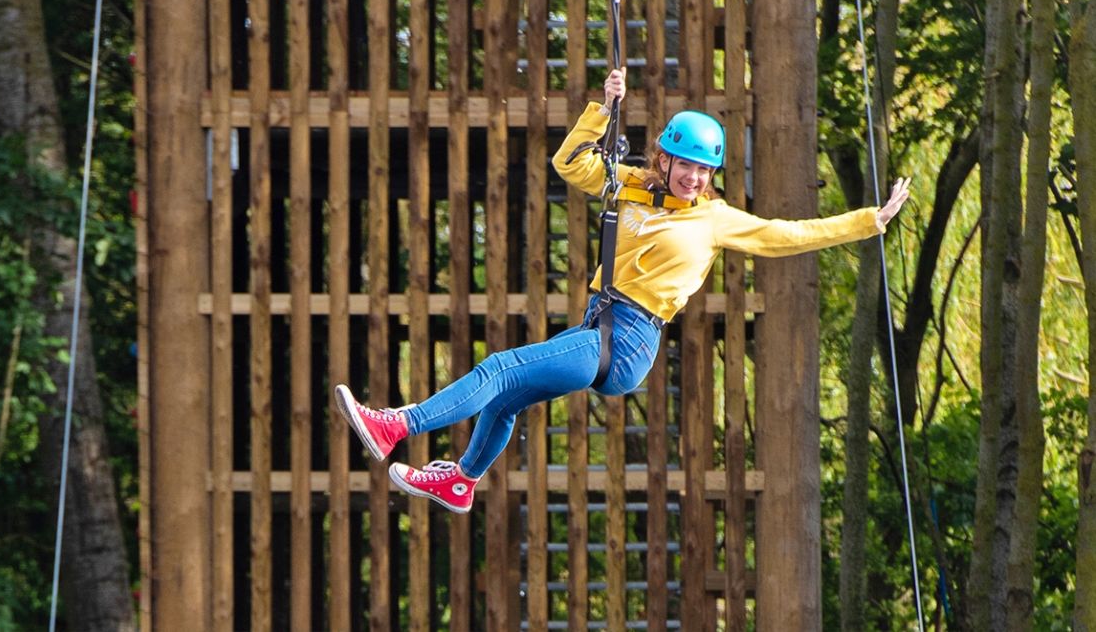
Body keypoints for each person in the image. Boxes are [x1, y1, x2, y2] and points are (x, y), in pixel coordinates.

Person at [334, 68, 912, 513]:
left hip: (631, 340)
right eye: (682, 164)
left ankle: (396, 425)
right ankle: (461, 481)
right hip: (599, 325)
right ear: (662, 157)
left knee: (501, 369)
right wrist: (602, 108)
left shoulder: (715, 219)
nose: (691, 177)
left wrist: (868, 221)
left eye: (701, 171)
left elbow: (787, 236)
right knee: (507, 396)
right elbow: (569, 163)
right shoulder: (632, 185)